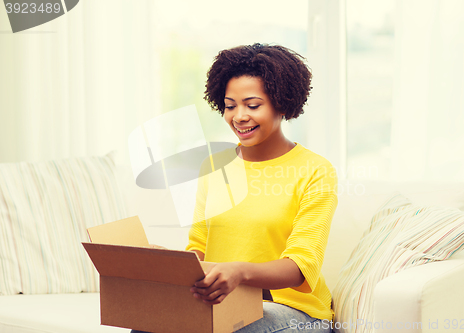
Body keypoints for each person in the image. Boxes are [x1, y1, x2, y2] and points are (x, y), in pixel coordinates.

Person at [131, 43, 338, 333]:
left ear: (281, 102)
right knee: (148, 323)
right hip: (225, 303)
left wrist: (239, 272)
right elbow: (199, 250)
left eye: (253, 105)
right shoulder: (214, 166)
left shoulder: (315, 170)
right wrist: (169, 262)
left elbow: (300, 267)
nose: (239, 116)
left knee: (238, 328)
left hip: (295, 313)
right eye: (230, 106)